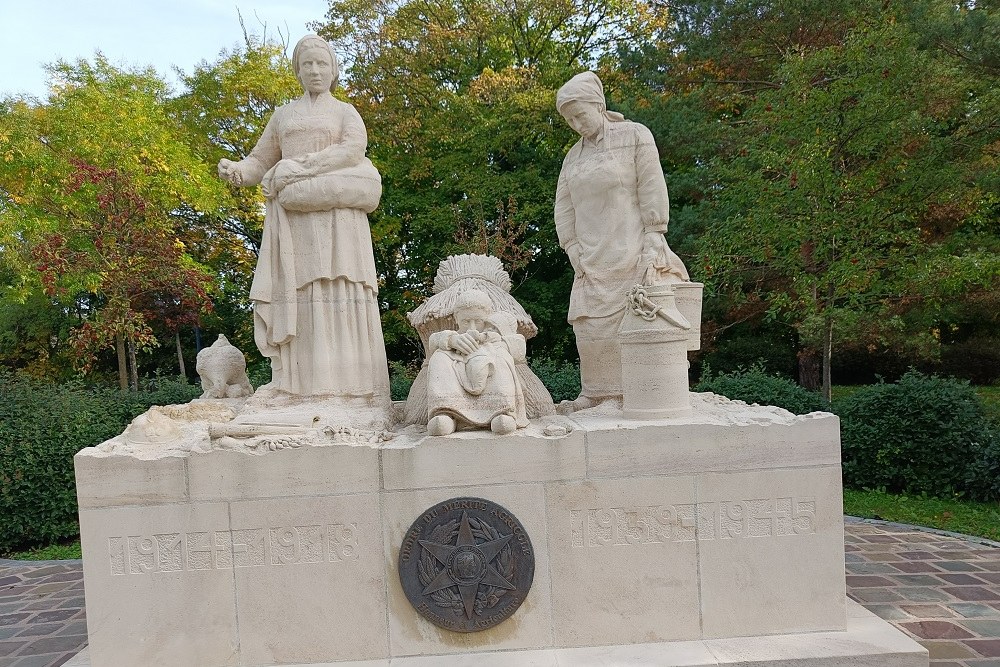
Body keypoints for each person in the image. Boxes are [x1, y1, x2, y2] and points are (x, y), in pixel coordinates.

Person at [218, 35, 389, 402]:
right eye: (307, 64)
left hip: (340, 220)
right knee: (300, 293)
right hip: (294, 221)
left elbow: (352, 150)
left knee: (342, 287)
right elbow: (261, 160)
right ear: (297, 70)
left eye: (322, 63)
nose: (315, 70)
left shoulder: (345, 112)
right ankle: (299, 388)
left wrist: (299, 168)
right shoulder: (284, 115)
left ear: (333, 70)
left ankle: (354, 389)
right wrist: (238, 170)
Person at [554, 71, 690, 413]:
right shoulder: (573, 157)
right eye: (570, 120)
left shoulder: (634, 137)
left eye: (580, 115)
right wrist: (571, 247)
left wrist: (655, 236)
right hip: (589, 255)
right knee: (589, 326)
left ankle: (640, 392)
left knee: (637, 319)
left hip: (631, 248)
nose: (577, 124)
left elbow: (651, 187)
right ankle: (597, 393)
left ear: (598, 105)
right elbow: (564, 207)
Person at [425, 290, 528, 435]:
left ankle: (502, 412)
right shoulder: (452, 337)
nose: (472, 327)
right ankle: (447, 413)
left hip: (487, 370)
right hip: (459, 365)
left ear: (487, 318)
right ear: (456, 318)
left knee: (501, 356)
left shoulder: (494, 333)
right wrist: (451, 340)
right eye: (466, 321)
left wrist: (495, 342)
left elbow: (518, 349)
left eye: (478, 321)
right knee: (439, 357)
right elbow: (432, 341)